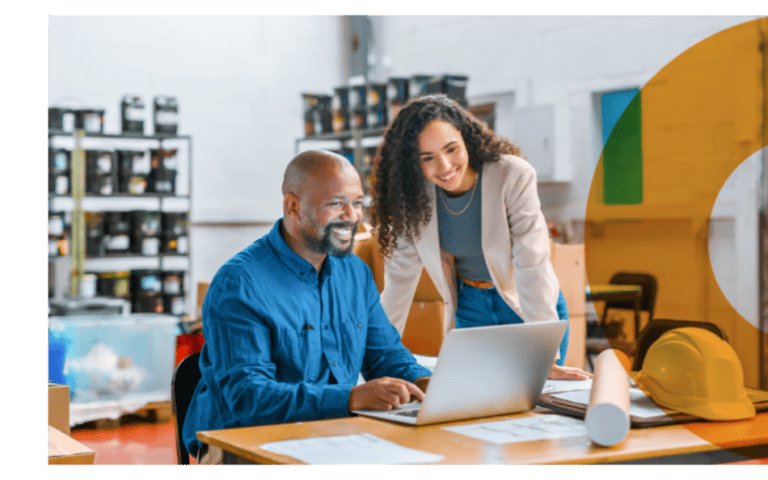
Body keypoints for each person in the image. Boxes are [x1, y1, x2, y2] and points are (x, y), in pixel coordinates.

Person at [183, 150, 432, 464]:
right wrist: (352, 397)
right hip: (242, 445)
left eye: (357, 203)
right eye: (335, 203)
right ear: (293, 206)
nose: (353, 216)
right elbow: (249, 398)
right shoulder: (240, 283)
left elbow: (385, 356)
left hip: (331, 437)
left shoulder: (355, 273)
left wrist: (426, 384)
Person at [370, 94, 590, 380]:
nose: (445, 166)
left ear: (466, 138)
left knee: (535, 403)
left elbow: (531, 263)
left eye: (451, 149)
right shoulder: (414, 199)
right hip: (471, 309)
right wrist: (378, 359)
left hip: (526, 306)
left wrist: (545, 355)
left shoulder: (510, 175)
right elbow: (398, 283)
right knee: (476, 404)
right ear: (412, 163)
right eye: (428, 158)